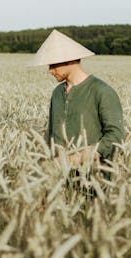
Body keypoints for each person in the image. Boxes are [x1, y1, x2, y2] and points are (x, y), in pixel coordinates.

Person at [32, 29, 124, 170]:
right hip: (59, 178)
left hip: (94, 176)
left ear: (69, 60)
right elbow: (51, 135)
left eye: (53, 65)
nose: (50, 71)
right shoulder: (57, 93)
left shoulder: (102, 91)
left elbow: (115, 136)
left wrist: (75, 159)